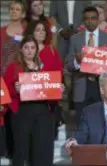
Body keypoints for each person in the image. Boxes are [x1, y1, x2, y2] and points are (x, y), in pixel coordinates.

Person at [3, 36, 63, 166]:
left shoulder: (44, 67)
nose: (30, 51)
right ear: (21, 50)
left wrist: (59, 89)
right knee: (21, 149)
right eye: (26, 47)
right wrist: (15, 89)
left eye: (32, 47)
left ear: (36, 49)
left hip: (43, 113)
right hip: (21, 113)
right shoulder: (14, 67)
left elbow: (52, 90)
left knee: (40, 149)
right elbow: (5, 91)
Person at [66, 6, 107, 126]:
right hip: (82, 85)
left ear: (98, 19)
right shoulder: (75, 39)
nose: (90, 21)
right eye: (87, 18)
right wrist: (78, 61)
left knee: (102, 124)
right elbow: (68, 65)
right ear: (83, 20)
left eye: (93, 18)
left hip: (102, 86)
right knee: (82, 124)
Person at [23, 20, 63, 140]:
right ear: (32, 32)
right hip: (28, 100)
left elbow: (59, 71)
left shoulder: (51, 50)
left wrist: (59, 86)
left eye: (43, 30)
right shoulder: (26, 50)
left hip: (47, 101)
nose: (41, 32)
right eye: (37, 30)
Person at [0, 0, 26, 159]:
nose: (14, 12)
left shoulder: (26, 31)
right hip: (2, 79)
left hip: (19, 79)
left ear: (23, 13)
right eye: (12, 9)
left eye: (17, 9)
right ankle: (6, 150)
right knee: (4, 115)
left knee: (18, 115)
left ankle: (17, 151)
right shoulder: (2, 31)